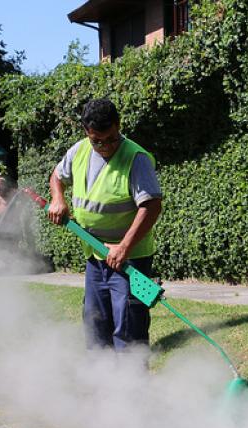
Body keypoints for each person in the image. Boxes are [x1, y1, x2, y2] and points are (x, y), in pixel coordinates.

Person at [48, 98, 163, 354]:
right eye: (97, 141)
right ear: (86, 132)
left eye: (111, 139)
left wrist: (124, 247)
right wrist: (58, 198)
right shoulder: (79, 151)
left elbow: (152, 206)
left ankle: (134, 390)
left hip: (131, 260)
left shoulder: (136, 158)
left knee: (129, 330)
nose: (105, 147)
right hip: (95, 259)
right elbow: (57, 176)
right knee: (95, 326)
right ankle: (103, 388)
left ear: (118, 126)